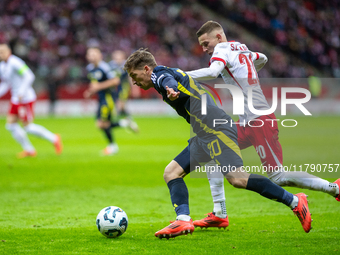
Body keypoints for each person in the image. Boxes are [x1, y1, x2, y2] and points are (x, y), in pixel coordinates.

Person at [124, 48, 312, 239]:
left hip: (216, 130)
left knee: (238, 179)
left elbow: (165, 80)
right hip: (204, 133)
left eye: (134, 75)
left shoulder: (159, 74)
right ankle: (183, 219)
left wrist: (170, 89)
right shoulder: (168, 71)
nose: (133, 81)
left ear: (146, 69)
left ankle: (295, 201)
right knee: (171, 173)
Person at [185, 21, 340, 229]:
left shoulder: (221, 49)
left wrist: (180, 75)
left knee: (278, 177)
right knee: (214, 152)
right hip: (246, 122)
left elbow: (213, 73)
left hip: (260, 121)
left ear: (219, 37)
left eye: (206, 43)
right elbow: (262, 58)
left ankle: (334, 188)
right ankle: (220, 213)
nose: (204, 49)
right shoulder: (240, 47)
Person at [0, 43, 62, 158]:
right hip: (16, 99)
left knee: (28, 127)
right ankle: (29, 150)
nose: (1, 54)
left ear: (9, 52)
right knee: (10, 126)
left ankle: (54, 138)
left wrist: (21, 92)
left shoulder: (15, 62)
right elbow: (5, 83)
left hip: (25, 98)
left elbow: (29, 76)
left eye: (2, 51)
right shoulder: (2, 66)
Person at [84, 47, 138, 156]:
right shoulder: (89, 68)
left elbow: (115, 81)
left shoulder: (105, 68)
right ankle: (124, 123)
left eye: (94, 54)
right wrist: (90, 91)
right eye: (90, 54)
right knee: (101, 124)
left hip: (108, 99)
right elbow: (95, 83)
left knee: (102, 124)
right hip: (101, 99)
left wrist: (98, 87)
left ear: (100, 56)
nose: (92, 56)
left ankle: (112, 146)